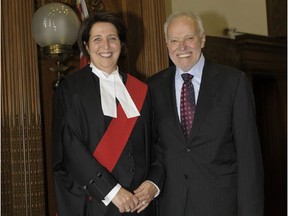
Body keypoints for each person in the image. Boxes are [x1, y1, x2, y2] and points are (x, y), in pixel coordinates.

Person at [147, 11, 264, 216]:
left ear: (202, 40)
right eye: (174, 40)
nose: (181, 47)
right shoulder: (153, 87)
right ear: (167, 45)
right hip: (171, 206)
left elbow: (249, 160)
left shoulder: (233, 83)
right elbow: (153, 150)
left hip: (221, 206)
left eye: (189, 38)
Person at [52, 11, 164, 216]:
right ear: (86, 46)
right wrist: (112, 192)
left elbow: (158, 142)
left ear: (121, 45)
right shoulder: (71, 89)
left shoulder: (141, 89)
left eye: (113, 38)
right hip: (96, 205)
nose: (106, 46)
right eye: (97, 39)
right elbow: (70, 148)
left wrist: (153, 183)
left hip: (141, 206)